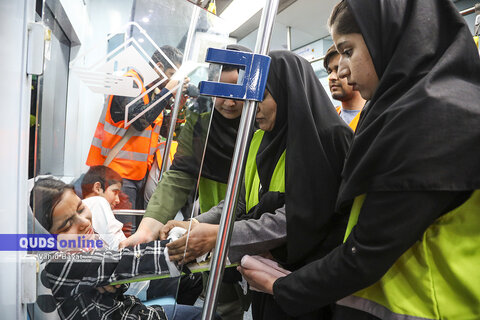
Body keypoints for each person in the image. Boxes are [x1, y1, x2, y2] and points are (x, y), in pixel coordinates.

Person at [239, 1, 480, 320]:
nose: (342, 71)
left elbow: (369, 249)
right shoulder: (399, 113)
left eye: (348, 50)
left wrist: (285, 285)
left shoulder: (436, 119)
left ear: (388, 36)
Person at [161, 50, 353, 319]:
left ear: (288, 93)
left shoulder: (328, 139)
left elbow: (299, 218)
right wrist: (194, 224)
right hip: (264, 277)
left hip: (307, 283)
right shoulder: (258, 139)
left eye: (261, 96)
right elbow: (238, 203)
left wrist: (219, 235)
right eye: (249, 97)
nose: (253, 107)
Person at [122, 44, 253, 320]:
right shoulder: (201, 117)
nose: (229, 101)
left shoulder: (258, 121)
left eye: (237, 90)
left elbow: (243, 197)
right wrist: (147, 229)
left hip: (248, 223)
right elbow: (180, 174)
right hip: (209, 223)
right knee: (221, 297)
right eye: (221, 90)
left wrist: (191, 225)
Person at [30, 177, 208, 320]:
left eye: (81, 208)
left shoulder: (83, 242)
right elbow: (124, 262)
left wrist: (110, 281)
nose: (84, 222)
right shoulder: (57, 263)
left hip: (129, 309)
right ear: (46, 236)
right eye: (68, 224)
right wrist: (181, 245)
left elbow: (119, 278)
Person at [86, 45, 186, 209]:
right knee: (123, 231)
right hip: (117, 173)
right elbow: (140, 122)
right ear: (159, 67)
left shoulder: (152, 91)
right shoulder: (129, 82)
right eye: (171, 75)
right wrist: (167, 92)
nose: (172, 81)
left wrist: (177, 106)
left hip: (139, 174)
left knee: (134, 229)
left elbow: (164, 131)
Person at [81, 165, 126, 249]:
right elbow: (114, 245)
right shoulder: (98, 201)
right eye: (115, 192)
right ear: (97, 188)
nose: (118, 200)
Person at [324, 44, 365, 131]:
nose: (331, 77)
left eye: (339, 69)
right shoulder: (328, 118)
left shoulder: (374, 116)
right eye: (329, 71)